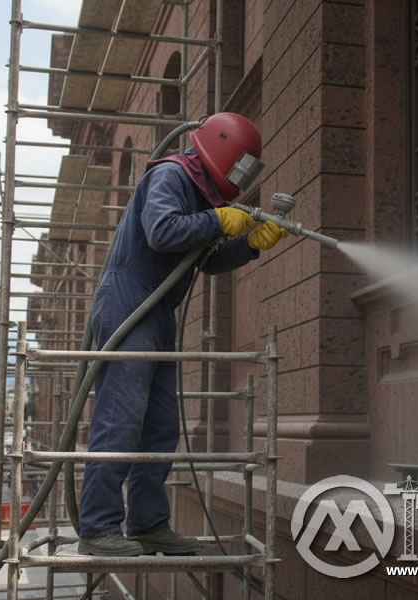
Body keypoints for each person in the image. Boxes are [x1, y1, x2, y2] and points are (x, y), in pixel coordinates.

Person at [77, 113, 286, 557]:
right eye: (240, 166)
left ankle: (148, 523)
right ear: (223, 151)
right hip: (130, 299)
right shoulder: (171, 175)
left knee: (160, 424)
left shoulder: (201, 192)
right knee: (121, 418)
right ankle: (97, 528)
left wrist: (249, 245)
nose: (240, 177)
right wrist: (217, 220)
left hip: (157, 309)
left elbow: (204, 260)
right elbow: (162, 231)